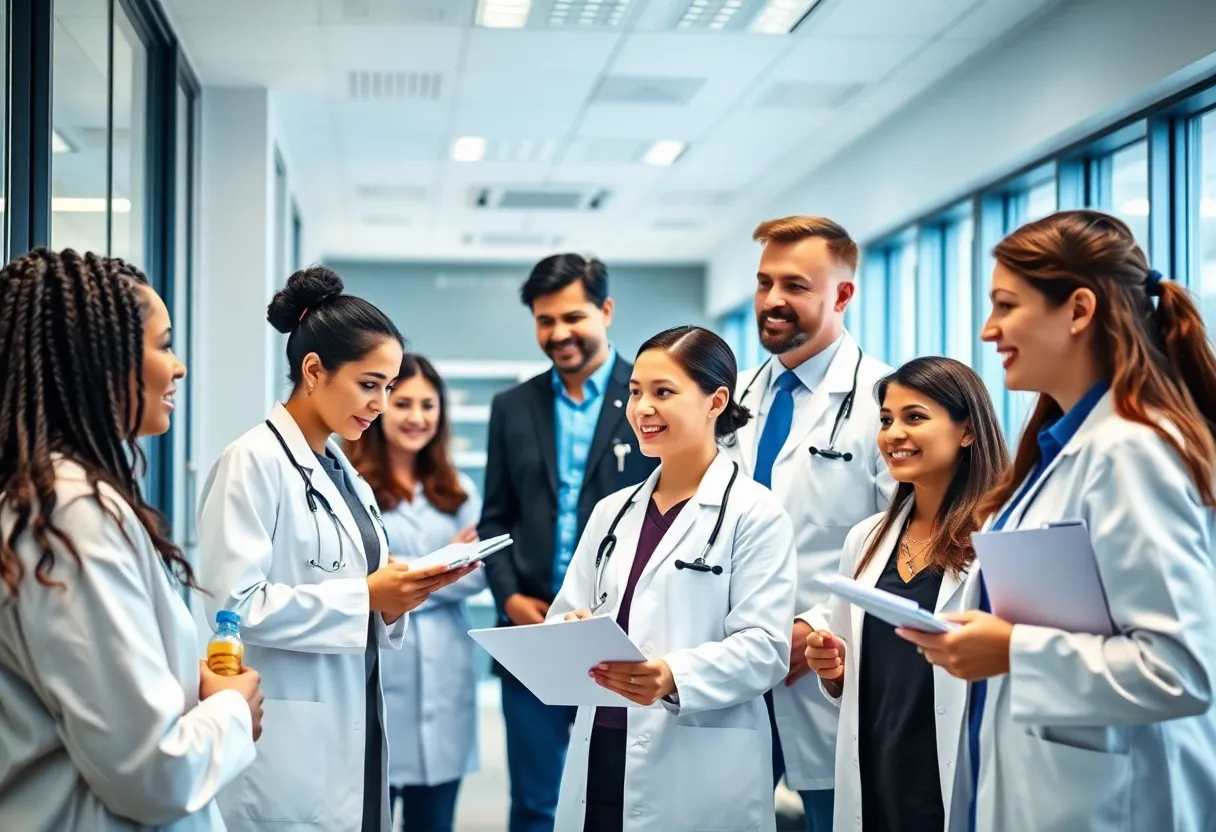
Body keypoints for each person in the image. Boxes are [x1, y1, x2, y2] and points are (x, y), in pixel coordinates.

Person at [897, 210, 1216, 832]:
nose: (988, 330)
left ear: (1078, 310)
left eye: (1006, 305)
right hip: (1046, 789)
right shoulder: (1062, 449)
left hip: (1116, 805)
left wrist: (1011, 648)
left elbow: (1179, 669)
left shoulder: (1131, 451)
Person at [197, 266, 476, 832]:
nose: (381, 404)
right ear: (314, 371)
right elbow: (234, 606)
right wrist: (366, 598)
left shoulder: (342, 471)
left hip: (356, 717)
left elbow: (350, 586)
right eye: (370, 384)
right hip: (290, 739)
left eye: (388, 387)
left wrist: (397, 594)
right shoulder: (253, 461)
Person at [0, 249, 263, 831]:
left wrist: (178, 683)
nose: (179, 367)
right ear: (99, 359)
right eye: (163, 345)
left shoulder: (58, 499)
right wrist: (233, 710)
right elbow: (152, 773)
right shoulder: (68, 513)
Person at [548, 325, 798, 832]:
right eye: (635, 392)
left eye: (663, 392)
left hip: (696, 760)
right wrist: (570, 630)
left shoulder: (756, 513)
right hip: (603, 747)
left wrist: (673, 675)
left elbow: (766, 648)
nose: (642, 408)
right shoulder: (612, 511)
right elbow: (564, 613)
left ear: (716, 402)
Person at [724, 216, 895, 829]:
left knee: (834, 815)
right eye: (764, 282)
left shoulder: (885, 402)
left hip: (822, 663)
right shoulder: (734, 397)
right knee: (723, 813)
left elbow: (902, 541)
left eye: (795, 285)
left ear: (842, 294)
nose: (772, 299)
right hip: (733, 658)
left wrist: (818, 624)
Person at [479, 254, 657, 832]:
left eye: (573, 316)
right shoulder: (512, 407)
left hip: (622, 636)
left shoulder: (648, 399)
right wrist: (509, 599)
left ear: (606, 311)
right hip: (532, 632)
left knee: (615, 798)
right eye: (545, 320)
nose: (558, 333)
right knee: (535, 803)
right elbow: (494, 518)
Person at [804, 357, 1007, 832]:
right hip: (877, 774)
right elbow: (854, 672)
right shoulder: (865, 538)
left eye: (914, 417)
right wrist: (833, 670)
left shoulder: (1000, 535)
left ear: (967, 431)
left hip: (954, 776)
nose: (893, 434)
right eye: (886, 420)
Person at [346, 353, 486, 832]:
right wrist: (446, 562)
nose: (417, 417)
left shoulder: (457, 488)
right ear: (381, 405)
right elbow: (357, 575)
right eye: (403, 403)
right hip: (379, 657)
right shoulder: (352, 485)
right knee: (369, 813)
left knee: (435, 820)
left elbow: (479, 573)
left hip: (446, 667)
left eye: (428, 405)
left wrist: (401, 575)